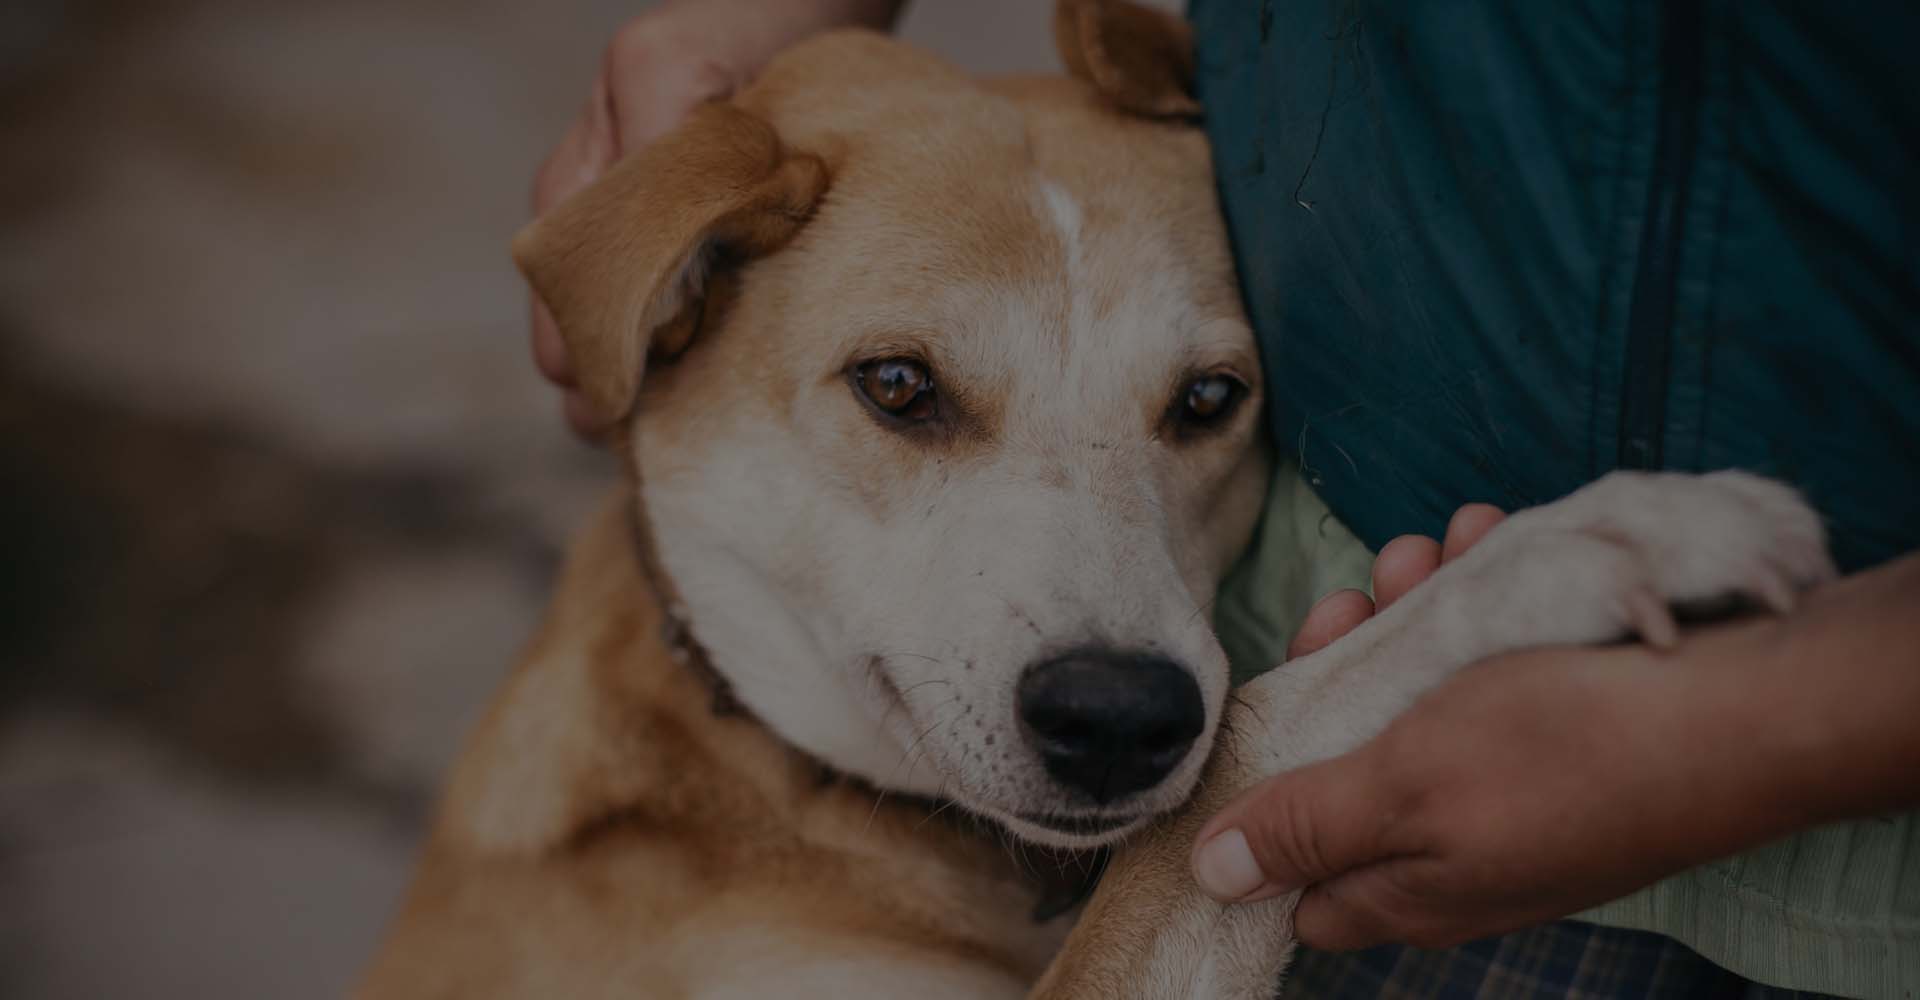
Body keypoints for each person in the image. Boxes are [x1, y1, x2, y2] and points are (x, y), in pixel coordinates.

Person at [525, 1, 1920, 996]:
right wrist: (1374, 682)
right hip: (1416, 684)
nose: (1102, 636)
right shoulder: (607, 896)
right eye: (905, 391)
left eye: (1197, 403)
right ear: (675, 305)